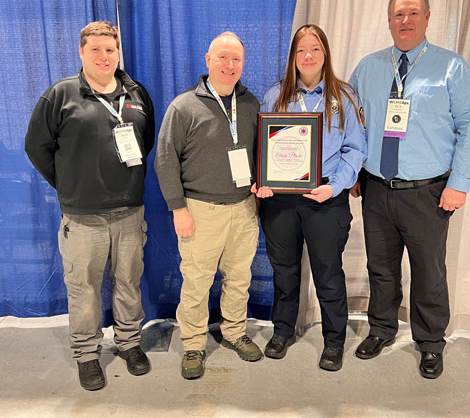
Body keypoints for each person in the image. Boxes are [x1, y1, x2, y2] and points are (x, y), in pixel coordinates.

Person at [349, 0, 470, 379]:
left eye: (412, 13)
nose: (405, 21)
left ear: (428, 17)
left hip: (428, 192)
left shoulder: (451, 68)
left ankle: (429, 342)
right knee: (381, 268)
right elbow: (355, 125)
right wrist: (356, 172)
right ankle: (381, 329)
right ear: (388, 21)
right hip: (376, 188)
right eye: (397, 14)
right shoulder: (369, 67)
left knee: (429, 271)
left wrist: (459, 182)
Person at [25, 21, 155, 391]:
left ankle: (129, 344)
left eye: (110, 50)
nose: (103, 56)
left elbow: (144, 142)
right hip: (82, 219)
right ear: (81, 52)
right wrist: (69, 186)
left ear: (118, 53)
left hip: (130, 212)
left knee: (129, 282)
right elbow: (37, 148)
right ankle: (87, 354)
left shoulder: (136, 93)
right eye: (95, 50)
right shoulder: (60, 95)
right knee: (84, 289)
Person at [255, 24, 367, 371]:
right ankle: (283, 331)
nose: (308, 55)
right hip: (281, 202)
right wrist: (265, 180)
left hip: (325, 198)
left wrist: (335, 186)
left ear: (325, 54)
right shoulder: (276, 96)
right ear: (293, 57)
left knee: (328, 273)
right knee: (284, 273)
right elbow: (264, 145)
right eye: (301, 49)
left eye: (315, 49)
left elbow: (355, 149)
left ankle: (334, 341)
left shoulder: (344, 96)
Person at [155, 32, 262, 380]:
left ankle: (233, 332)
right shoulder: (183, 107)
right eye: (223, 58)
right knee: (197, 281)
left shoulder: (251, 105)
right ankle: (193, 344)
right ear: (208, 60)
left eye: (237, 60)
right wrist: (178, 208)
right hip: (200, 210)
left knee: (239, 277)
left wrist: (264, 179)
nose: (230, 66)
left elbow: (262, 152)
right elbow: (166, 160)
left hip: (245, 208)